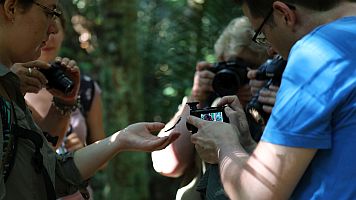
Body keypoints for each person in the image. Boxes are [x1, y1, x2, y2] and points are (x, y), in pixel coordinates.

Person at [0, 1, 179, 199]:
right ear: (11, 8)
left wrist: (120, 140)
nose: (52, 29)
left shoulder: (11, 86)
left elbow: (47, 170)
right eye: (49, 12)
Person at [186, 0, 356, 199]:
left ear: (284, 14)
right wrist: (246, 144)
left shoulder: (316, 53)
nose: (269, 51)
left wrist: (223, 144)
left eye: (262, 35)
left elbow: (256, 194)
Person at [151, 16, 269, 200]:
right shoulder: (210, 102)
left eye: (250, 67)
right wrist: (195, 97)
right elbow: (167, 164)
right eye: (233, 64)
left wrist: (258, 102)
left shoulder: (275, 101)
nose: (240, 75)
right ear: (220, 62)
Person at [24, 7, 106, 200]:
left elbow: (104, 159)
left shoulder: (84, 87)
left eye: (55, 30)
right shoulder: (12, 82)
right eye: (43, 29)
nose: (48, 37)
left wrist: (83, 152)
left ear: (63, 34)